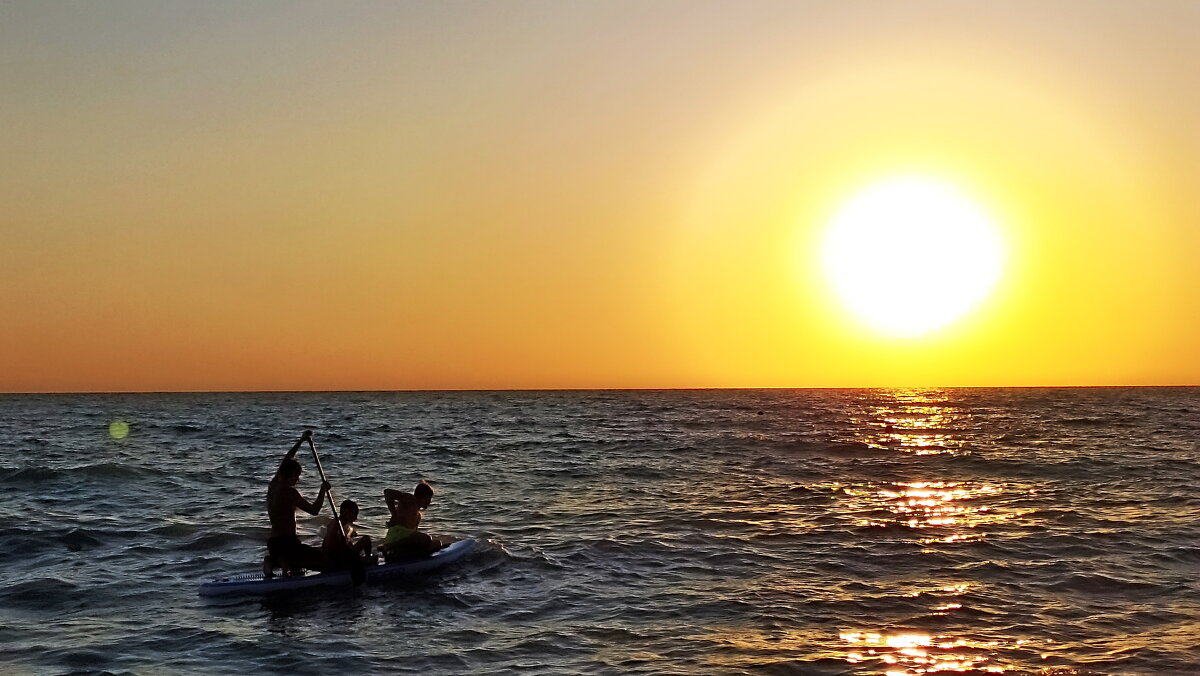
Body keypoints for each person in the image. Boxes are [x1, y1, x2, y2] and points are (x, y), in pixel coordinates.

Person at [264, 430, 331, 578]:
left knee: (296, 560)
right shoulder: (289, 492)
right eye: (296, 476)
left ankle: (275, 560)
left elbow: (287, 459)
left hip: (273, 544)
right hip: (288, 544)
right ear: (288, 475)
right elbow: (314, 510)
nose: (298, 480)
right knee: (326, 563)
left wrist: (301, 442)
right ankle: (285, 563)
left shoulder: (273, 485)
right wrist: (322, 490)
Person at [380, 481, 446, 561]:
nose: (429, 502)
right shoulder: (410, 499)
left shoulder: (418, 515)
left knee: (437, 544)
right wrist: (393, 513)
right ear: (422, 496)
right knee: (427, 538)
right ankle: (389, 547)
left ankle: (396, 555)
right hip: (396, 535)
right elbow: (387, 493)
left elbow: (414, 538)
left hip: (405, 540)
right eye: (428, 498)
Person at [322, 499, 373, 584]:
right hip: (339, 560)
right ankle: (368, 560)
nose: (356, 518)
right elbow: (343, 549)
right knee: (366, 539)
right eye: (354, 514)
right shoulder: (340, 525)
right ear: (346, 512)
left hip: (333, 558)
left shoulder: (333, 523)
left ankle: (366, 559)